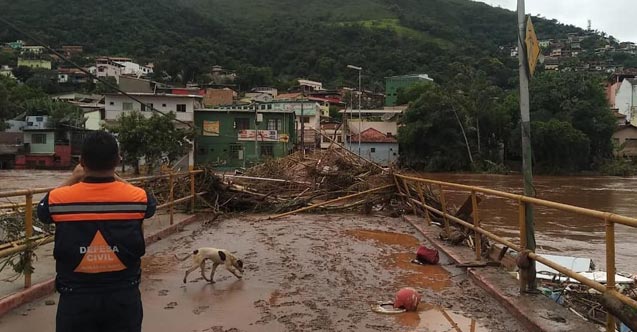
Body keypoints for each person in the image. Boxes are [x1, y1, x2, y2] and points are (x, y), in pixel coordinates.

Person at [37, 131, 156, 332]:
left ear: (82, 161)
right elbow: (150, 206)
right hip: (123, 296)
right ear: (118, 160)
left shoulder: (58, 200)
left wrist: (72, 179)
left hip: (75, 298)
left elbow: (42, 212)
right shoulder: (139, 199)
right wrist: (117, 179)